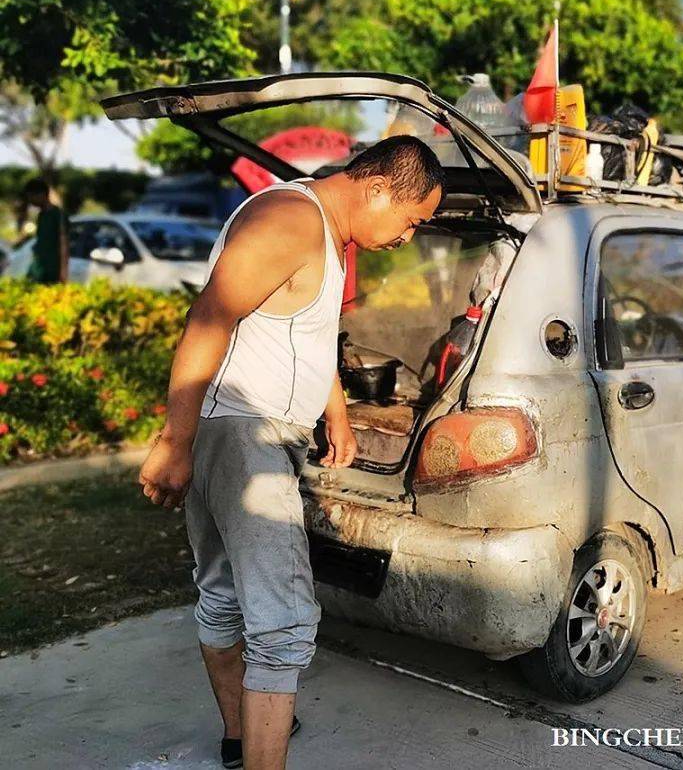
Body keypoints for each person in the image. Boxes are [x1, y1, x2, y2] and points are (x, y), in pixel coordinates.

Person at [137, 136, 445, 770]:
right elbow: (210, 318)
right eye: (413, 221)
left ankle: (238, 739)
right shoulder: (289, 219)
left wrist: (336, 415)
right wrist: (175, 440)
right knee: (284, 623)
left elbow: (307, 330)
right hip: (245, 433)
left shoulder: (330, 234)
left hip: (251, 431)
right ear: (379, 187)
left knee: (223, 592)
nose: (408, 238)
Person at [21, 177, 68, 284]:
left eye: (31, 197)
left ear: (41, 194)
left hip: (52, 270)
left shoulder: (58, 215)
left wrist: (63, 272)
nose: (31, 201)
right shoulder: (41, 216)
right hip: (38, 269)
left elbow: (64, 244)